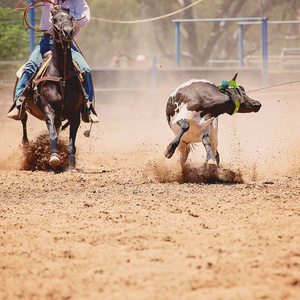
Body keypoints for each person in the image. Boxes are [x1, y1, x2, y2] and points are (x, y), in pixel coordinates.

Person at [7, 0, 98, 123]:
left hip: (66, 43)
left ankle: (88, 109)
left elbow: (84, 20)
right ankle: (18, 105)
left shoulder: (78, 2)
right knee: (29, 67)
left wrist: (65, 13)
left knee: (85, 69)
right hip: (46, 41)